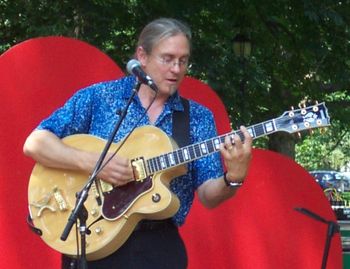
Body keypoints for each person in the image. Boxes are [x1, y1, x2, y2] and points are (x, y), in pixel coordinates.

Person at [23, 17, 252, 269]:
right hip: (94, 237)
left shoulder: (197, 117)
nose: (176, 69)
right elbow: (36, 142)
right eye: (167, 59)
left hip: (159, 247)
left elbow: (209, 195)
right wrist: (94, 164)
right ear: (142, 56)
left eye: (183, 60)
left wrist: (234, 178)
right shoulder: (101, 97)